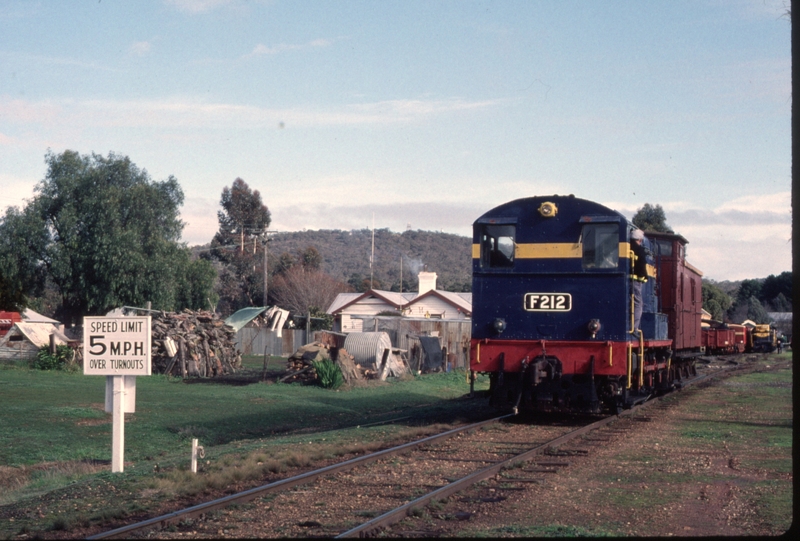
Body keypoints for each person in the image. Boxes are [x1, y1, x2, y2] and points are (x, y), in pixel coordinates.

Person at [630, 229, 648, 333]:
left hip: (623, 281)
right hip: (635, 282)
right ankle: (634, 328)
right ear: (640, 240)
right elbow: (642, 267)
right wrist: (645, 277)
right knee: (638, 304)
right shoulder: (640, 250)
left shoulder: (625, 247)